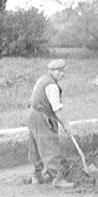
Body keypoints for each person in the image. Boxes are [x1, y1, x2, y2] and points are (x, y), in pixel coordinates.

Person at [27, 59, 74, 188]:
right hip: (42, 116)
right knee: (49, 145)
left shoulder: (43, 79)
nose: (62, 74)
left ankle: (37, 175)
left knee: (36, 145)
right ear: (51, 71)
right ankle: (58, 178)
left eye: (63, 71)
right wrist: (66, 125)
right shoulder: (51, 85)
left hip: (33, 113)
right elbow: (57, 109)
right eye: (59, 71)